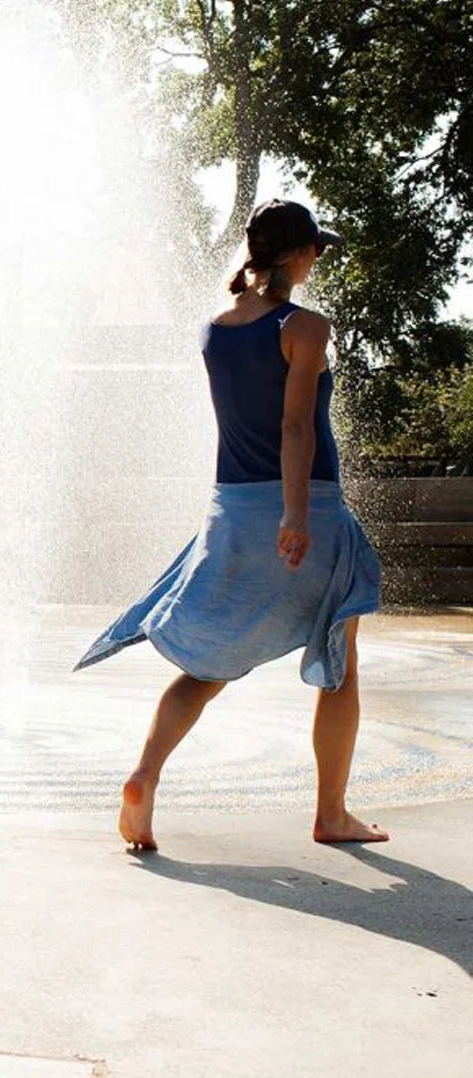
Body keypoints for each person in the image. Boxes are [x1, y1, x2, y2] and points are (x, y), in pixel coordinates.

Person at [75, 199, 387, 851]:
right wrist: (297, 514)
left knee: (208, 669)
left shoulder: (213, 327)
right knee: (339, 656)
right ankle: (331, 813)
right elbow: (296, 425)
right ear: (297, 256)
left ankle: (144, 777)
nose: (319, 258)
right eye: (315, 248)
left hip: (230, 514)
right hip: (308, 508)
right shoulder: (306, 327)